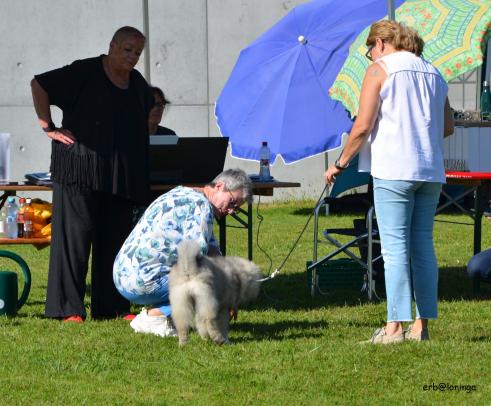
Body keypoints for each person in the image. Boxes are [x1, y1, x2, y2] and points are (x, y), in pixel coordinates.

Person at [325, 21, 454, 344]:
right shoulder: (433, 72)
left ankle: (394, 327)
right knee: (423, 247)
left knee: (395, 250)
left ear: (381, 42)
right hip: (429, 170)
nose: (370, 55)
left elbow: (362, 126)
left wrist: (339, 164)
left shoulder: (379, 70)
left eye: (370, 48)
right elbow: (448, 126)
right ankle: (422, 327)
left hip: (394, 168)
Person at [31, 26, 154, 322]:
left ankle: (112, 307)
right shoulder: (83, 71)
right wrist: (49, 127)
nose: (132, 57)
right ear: (111, 45)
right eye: (127, 50)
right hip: (78, 168)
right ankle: (68, 308)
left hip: (117, 174)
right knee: (74, 240)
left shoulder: (137, 83)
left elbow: (146, 114)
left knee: (114, 239)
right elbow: (39, 84)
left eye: (137, 52)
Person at [113, 168, 252, 337]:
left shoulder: (183, 192)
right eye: (231, 202)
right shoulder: (201, 207)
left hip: (122, 274)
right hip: (140, 281)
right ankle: (152, 318)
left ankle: (162, 314)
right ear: (220, 186)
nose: (231, 211)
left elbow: (212, 250)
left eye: (236, 208)